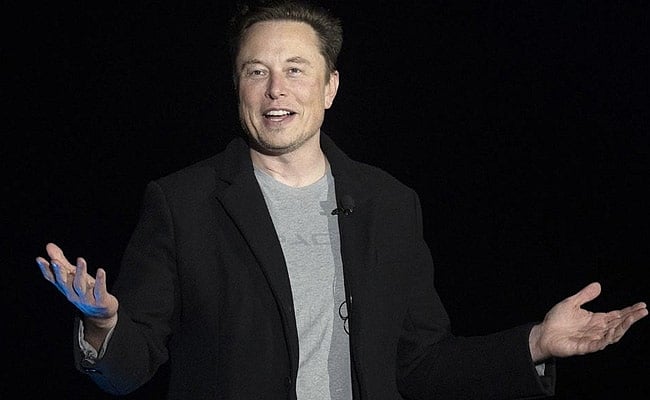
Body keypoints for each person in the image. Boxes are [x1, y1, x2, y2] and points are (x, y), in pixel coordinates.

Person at [35, 1, 647, 399]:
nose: (276, 89)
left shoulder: (390, 204)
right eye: (256, 70)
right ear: (237, 86)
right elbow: (129, 367)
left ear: (330, 87)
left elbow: (420, 364)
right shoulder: (182, 202)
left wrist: (534, 344)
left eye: (296, 69)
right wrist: (103, 326)